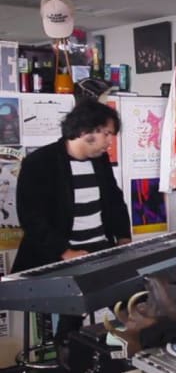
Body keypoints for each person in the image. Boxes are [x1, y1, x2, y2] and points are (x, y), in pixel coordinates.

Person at [13, 99, 131, 347]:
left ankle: (123, 364)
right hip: (58, 256)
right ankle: (68, 369)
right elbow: (32, 218)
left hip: (98, 250)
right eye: (107, 134)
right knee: (72, 318)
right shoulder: (40, 163)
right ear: (86, 131)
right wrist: (65, 252)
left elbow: (114, 201)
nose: (110, 141)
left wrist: (124, 240)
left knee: (131, 304)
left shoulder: (99, 160)